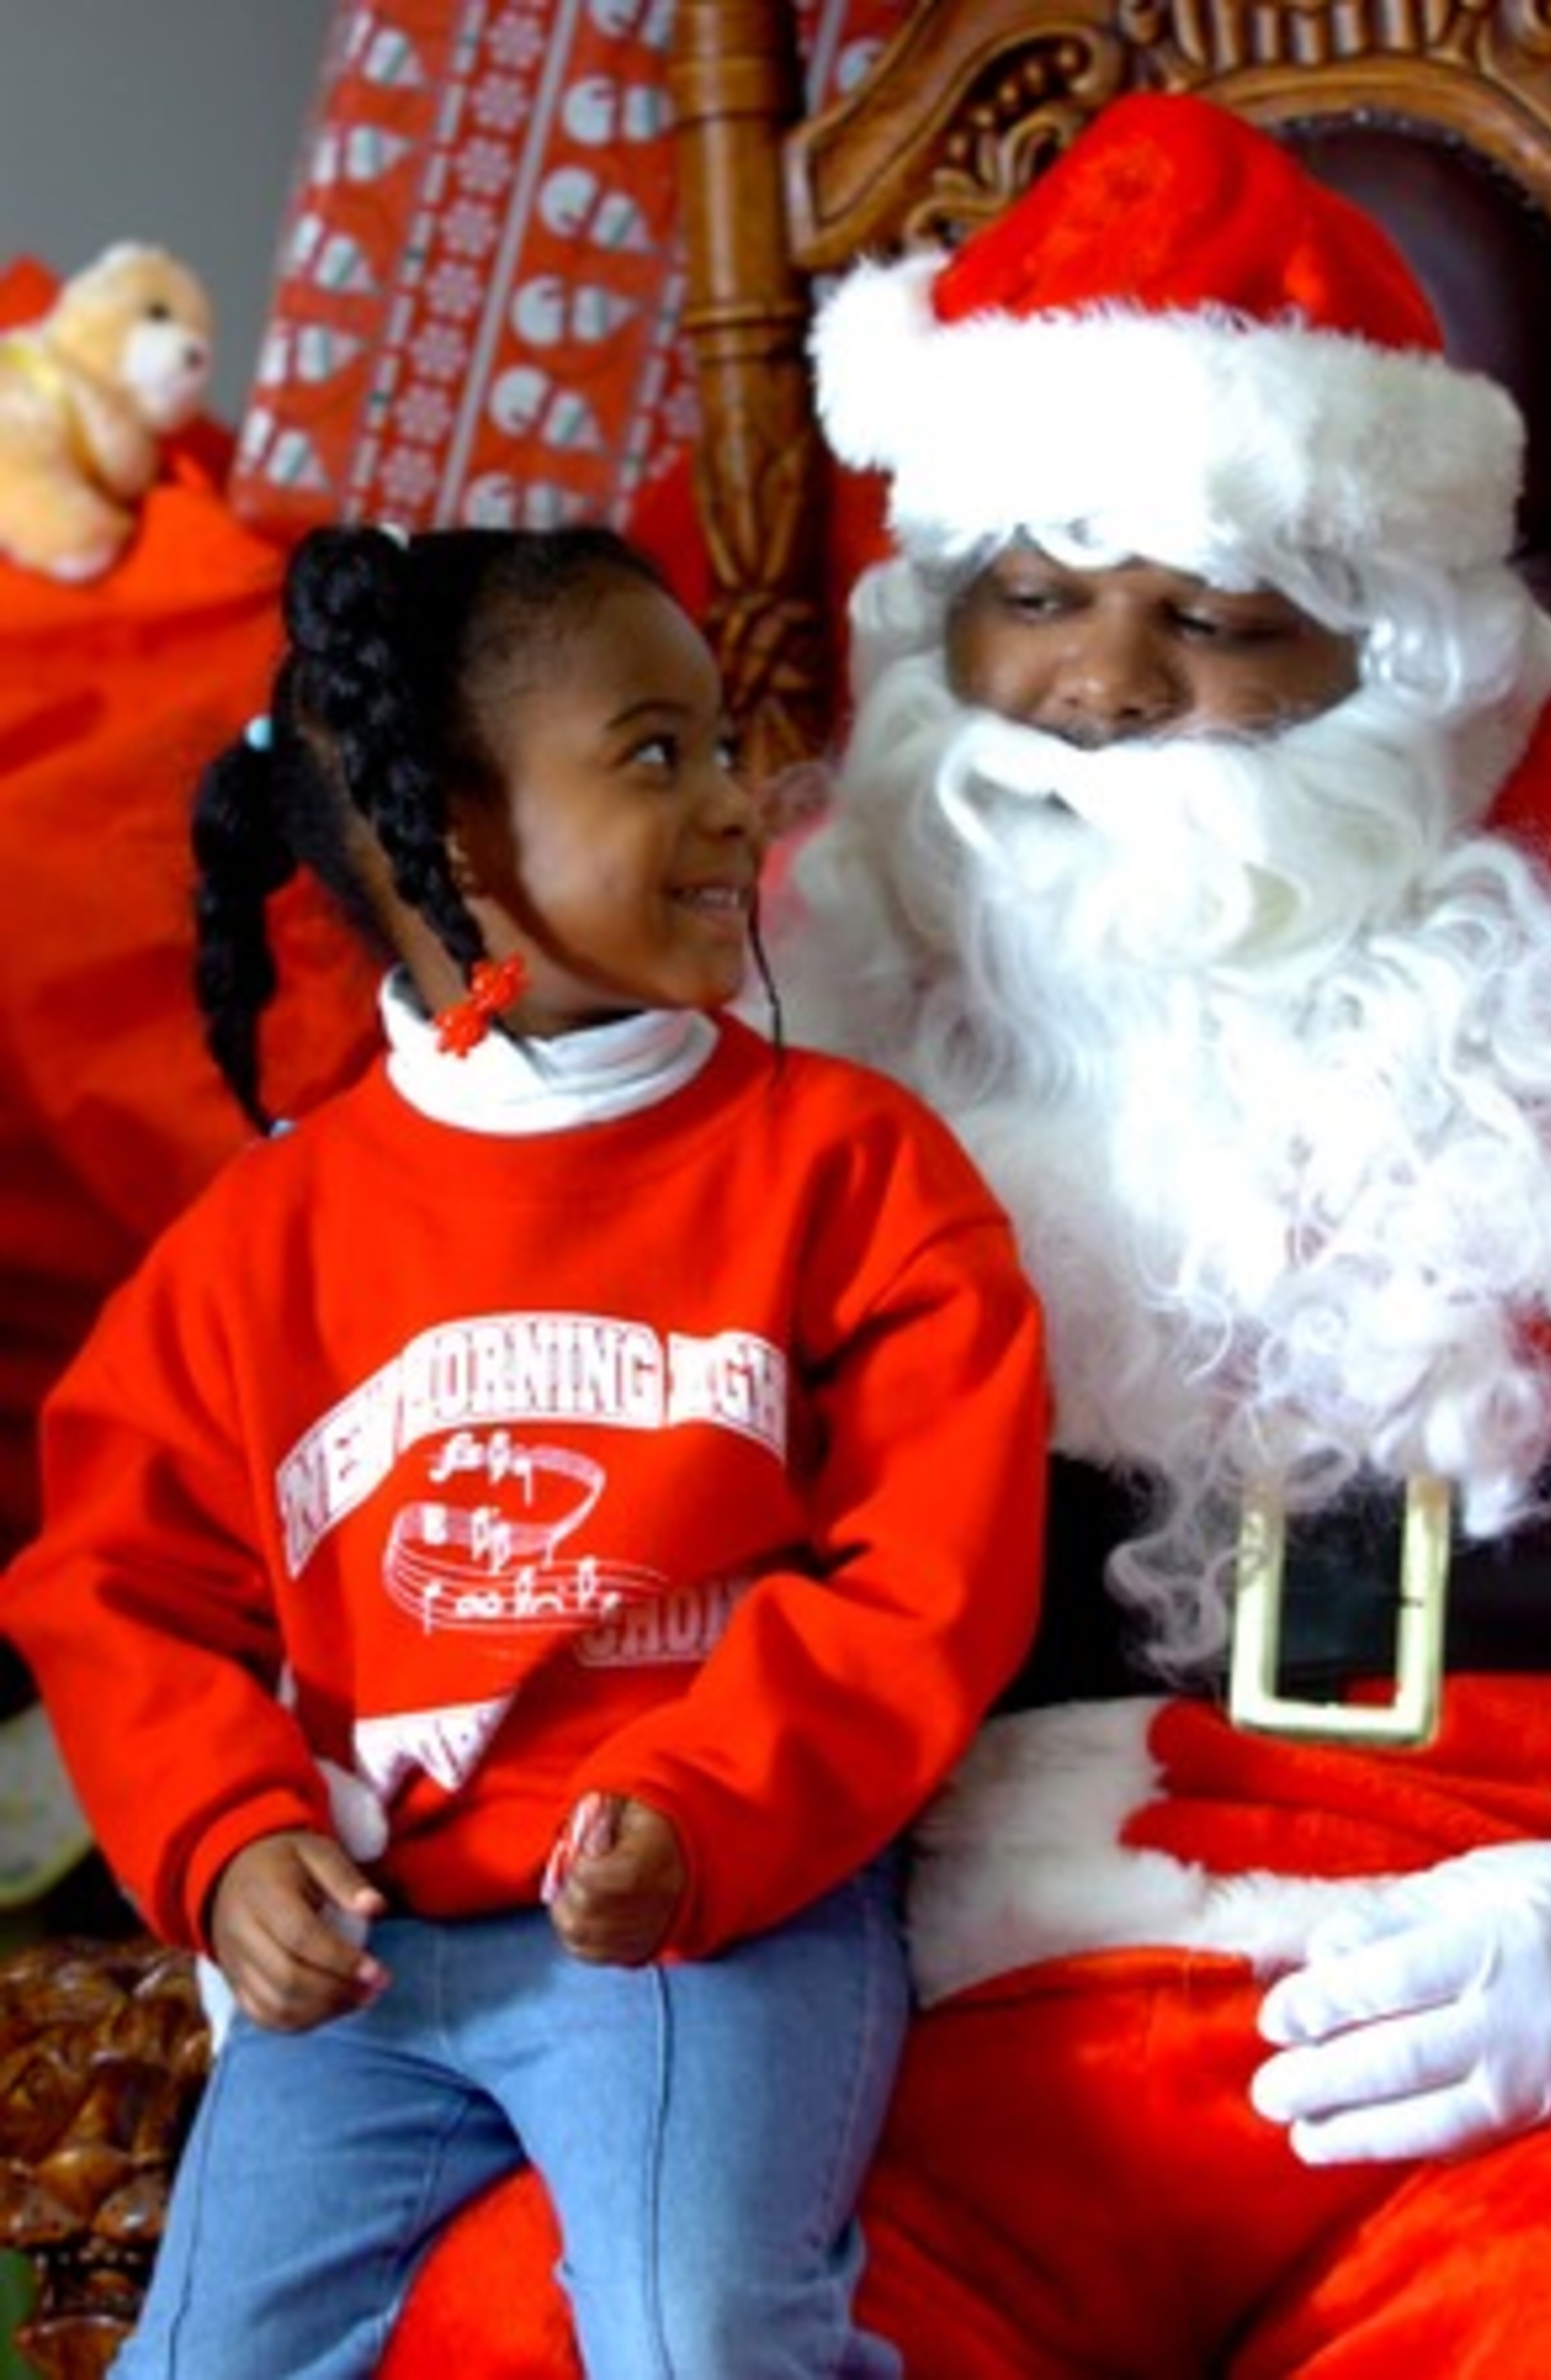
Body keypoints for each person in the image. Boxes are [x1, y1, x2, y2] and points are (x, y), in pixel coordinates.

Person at [0, 520, 1048, 2379]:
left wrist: (709, 1809)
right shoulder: (270, 1234)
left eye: (726, 746)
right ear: (457, 836)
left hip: (705, 1918)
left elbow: (931, 1570)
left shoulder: (852, 1169)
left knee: (700, 2326)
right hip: (378, 1955)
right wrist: (229, 1842)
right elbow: (116, 1586)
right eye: (660, 756)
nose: (735, 804)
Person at [757, 88, 1551, 2373]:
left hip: (1492, 2029)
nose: (1102, 691)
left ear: (1407, 669)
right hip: (931, 2046)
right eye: (1030, 598)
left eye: (1212, 622)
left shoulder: (1549, 1041)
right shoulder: (787, 1036)